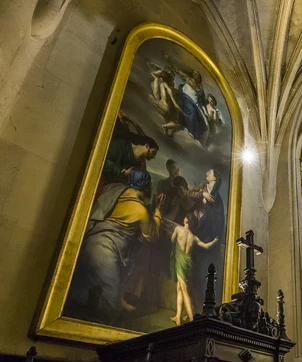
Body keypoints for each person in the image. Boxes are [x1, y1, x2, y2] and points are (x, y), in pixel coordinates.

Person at [65, 169, 165, 325]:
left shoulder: (112, 190)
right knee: (107, 303)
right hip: (104, 252)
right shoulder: (140, 210)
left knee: (85, 291)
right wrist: (158, 212)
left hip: (90, 242)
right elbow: (152, 236)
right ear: (146, 188)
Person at [170, 213, 218, 325]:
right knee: (179, 288)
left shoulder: (178, 229)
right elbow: (206, 246)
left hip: (180, 262)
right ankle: (178, 316)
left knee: (184, 290)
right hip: (188, 264)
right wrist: (215, 241)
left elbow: (172, 240)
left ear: (186, 219)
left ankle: (192, 320)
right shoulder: (193, 237)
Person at [148, 64, 184, 137]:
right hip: (165, 109)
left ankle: (166, 131)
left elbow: (157, 94)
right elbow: (176, 105)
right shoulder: (168, 89)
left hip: (159, 103)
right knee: (178, 124)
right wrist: (183, 112)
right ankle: (164, 126)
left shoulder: (158, 82)